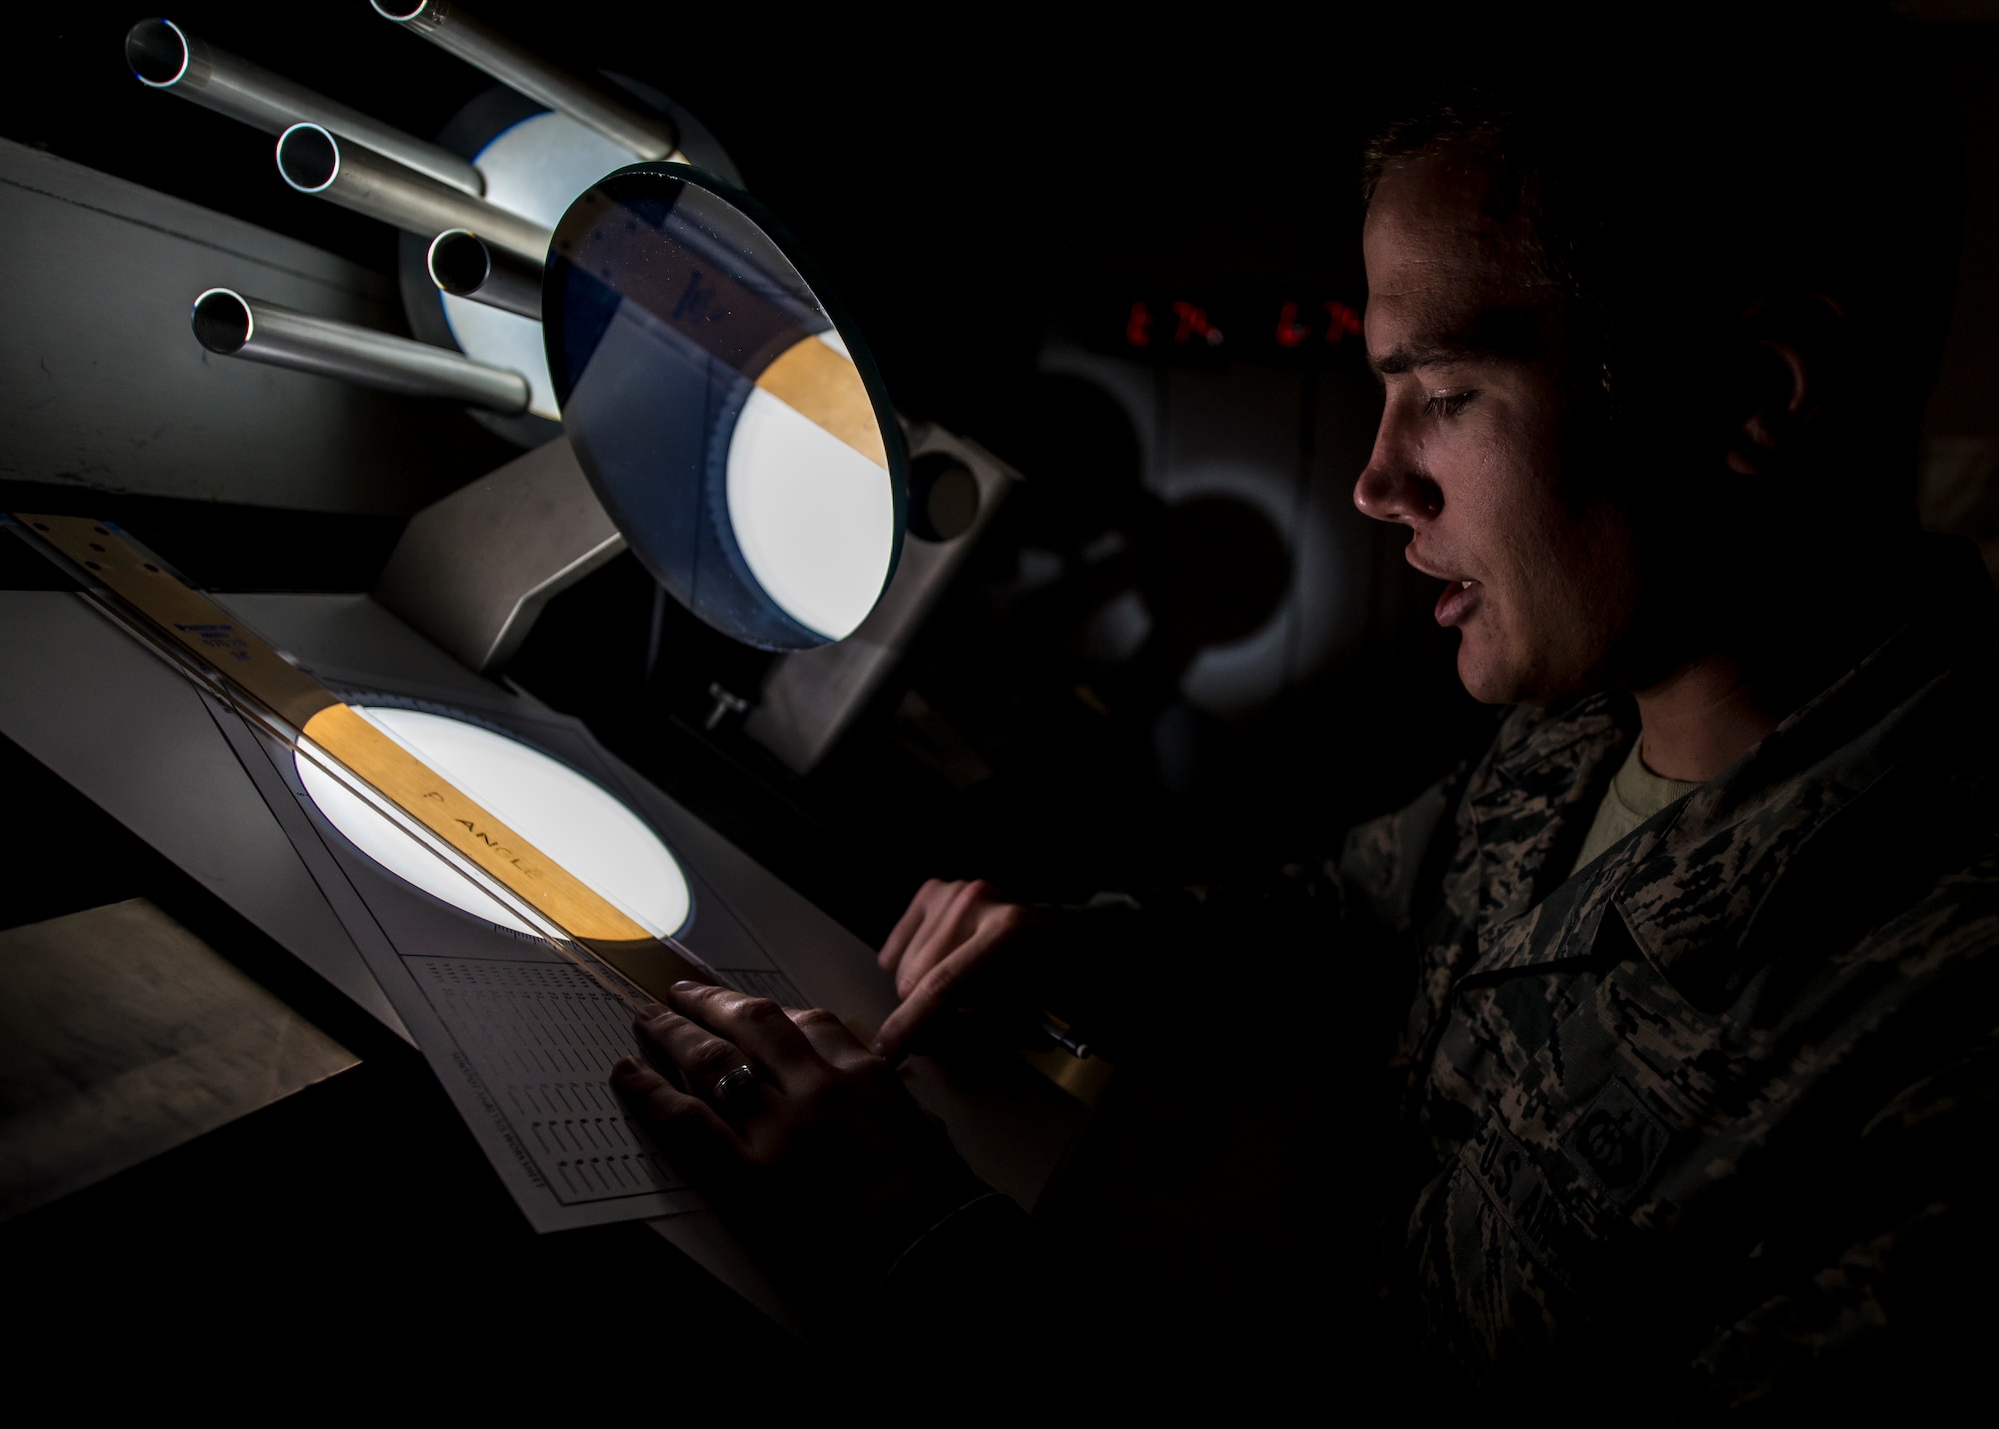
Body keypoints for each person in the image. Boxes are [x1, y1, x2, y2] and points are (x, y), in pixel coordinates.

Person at [611, 14, 1999, 1410]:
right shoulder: (1597, 712)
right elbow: (1366, 913)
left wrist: (927, 1255)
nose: (1379, 481)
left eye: (1446, 395)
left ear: (1753, 400)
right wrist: (1081, 953)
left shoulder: (1940, 1051)